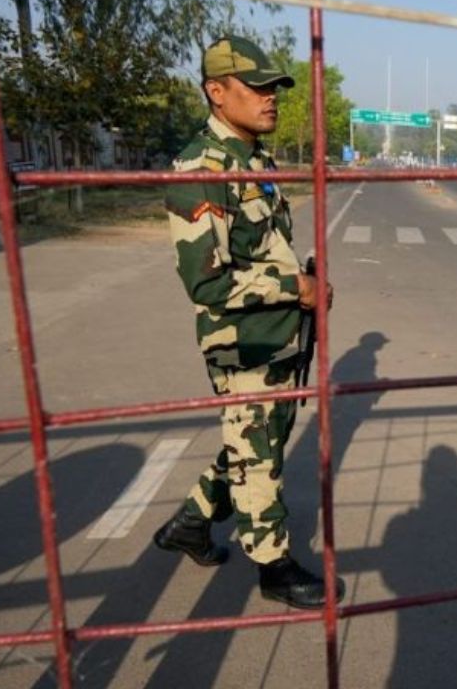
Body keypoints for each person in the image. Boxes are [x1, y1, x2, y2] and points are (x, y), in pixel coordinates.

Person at [152, 35, 342, 609]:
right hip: (240, 341)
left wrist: (302, 283)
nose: (271, 98)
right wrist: (294, 286)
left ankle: (190, 521)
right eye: (256, 88)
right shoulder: (199, 169)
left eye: (273, 88)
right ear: (216, 92)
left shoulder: (254, 159)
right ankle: (274, 566)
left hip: (277, 334)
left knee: (259, 439)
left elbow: (264, 248)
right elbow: (205, 282)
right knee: (260, 451)